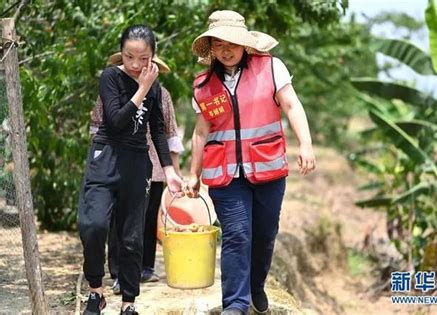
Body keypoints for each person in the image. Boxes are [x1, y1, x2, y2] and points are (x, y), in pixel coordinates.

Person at [184, 10, 316, 314]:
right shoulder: (202, 85)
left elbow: (292, 105)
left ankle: (256, 284)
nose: (226, 50)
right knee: (237, 234)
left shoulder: (271, 68)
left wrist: (306, 144)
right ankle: (235, 303)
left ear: (245, 44)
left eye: (232, 43)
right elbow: (200, 132)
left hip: (267, 168)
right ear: (212, 49)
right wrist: (193, 173)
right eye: (218, 44)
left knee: (265, 234)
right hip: (225, 174)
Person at [78, 25, 183, 315]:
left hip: (137, 162)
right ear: (121, 53)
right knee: (94, 225)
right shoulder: (111, 77)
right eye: (129, 57)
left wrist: (169, 169)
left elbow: (157, 131)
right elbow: (115, 121)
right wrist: (143, 89)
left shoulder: (156, 86)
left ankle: (128, 303)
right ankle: (96, 291)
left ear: (153, 57)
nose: (136, 65)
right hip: (106, 157)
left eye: (143, 58)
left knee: (133, 238)